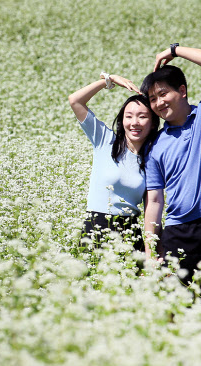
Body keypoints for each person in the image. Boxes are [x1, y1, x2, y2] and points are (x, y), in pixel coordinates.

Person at [140, 45, 201, 283]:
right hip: (178, 231)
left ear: (182, 90)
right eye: (153, 99)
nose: (159, 103)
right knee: (178, 306)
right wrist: (150, 250)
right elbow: (154, 200)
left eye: (163, 94)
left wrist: (174, 50)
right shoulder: (155, 145)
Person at [69, 72, 160, 252]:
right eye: (129, 116)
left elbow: (153, 206)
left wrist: (153, 251)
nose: (135, 122)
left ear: (152, 122)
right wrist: (108, 81)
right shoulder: (105, 140)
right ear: (122, 120)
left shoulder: (153, 156)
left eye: (142, 116)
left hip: (130, 234)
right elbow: (75, 101)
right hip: (96, 231)